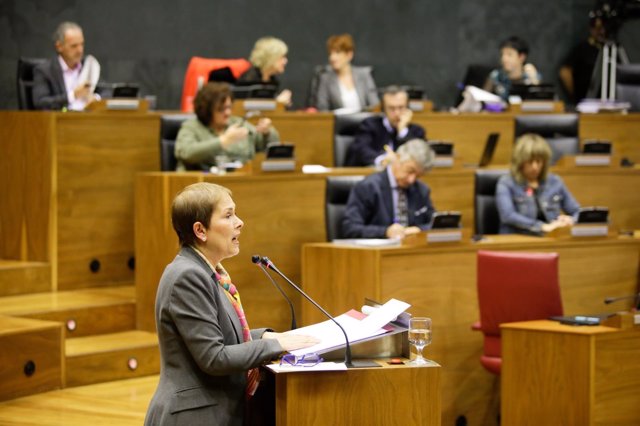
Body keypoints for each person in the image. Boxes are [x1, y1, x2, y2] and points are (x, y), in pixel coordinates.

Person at [144, 182, 318, 426]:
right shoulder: (188, 276)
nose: (240, 222)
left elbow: (224, 339)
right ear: (200, 230)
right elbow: (214, 357)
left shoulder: (209, 273)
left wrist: (267, 336)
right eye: (228, 215)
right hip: (193, 417)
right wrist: (277, 345)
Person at [342, 139, 436, 239]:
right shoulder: (368, 187)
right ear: (398, 159)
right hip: (378, 250)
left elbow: (434, 224)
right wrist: (385, 232)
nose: (411, 180)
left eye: (418, 176)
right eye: (410, 171)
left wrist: (419, 230)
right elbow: (350, 228)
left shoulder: (421, 190)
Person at [174, 82, 279, 171]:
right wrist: (224, 141)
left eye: (229, 107)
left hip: (240, 180)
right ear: (207, 110)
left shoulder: (237, 123)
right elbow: (187, 153)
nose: (228, 113)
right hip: (204, 186)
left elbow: (269, 145)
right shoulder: (191, 127)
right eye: (221, 109)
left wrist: (267, 132)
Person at [496, 133, 580, 235]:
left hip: (550, 238)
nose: (535, 167)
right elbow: (507, 215)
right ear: (520, 162)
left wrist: (570, 220)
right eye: (530, 162)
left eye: (538, 161)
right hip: (519, 239)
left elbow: (577, 211)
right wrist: (542, 226)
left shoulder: (555, 181)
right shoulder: (506, 183)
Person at [345, 86, 426, 167]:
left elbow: (418, 157)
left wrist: (402, 132)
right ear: (383, 109)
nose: (397, 113)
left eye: (401, 108)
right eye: (391, 108)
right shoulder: (369, 125)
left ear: (408, 109)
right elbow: (360, 149)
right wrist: (382, 160)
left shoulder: (417, 131)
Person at [32, 21, 100, 110]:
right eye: (74, 46)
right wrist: (73, 95)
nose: (80, 50)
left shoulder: (88, 66)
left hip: (89, 119)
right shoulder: (45, 71)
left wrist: (96, 98)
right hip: (61, 120)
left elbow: (106, 90)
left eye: (82, 44)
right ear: (59, 47)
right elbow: (41, 102)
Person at [312, 33, 379, 112]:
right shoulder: (325, 79)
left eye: (337, 52)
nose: (332, 57)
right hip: (339, 123)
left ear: (349, 55)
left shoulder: (364, 75)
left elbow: (375, 105)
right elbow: (322, 108)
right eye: (330, 53)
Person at [559, 15, 607, 104]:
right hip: (586, 101)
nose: (602, 31)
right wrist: (575, 95)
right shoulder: (582, 48)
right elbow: (564, 72)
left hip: (607, 100)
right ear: (592, 29)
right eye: (598, 28)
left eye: (604, 28)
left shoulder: (609, 49)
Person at [237, 37, 292, 105]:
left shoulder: (273, 82)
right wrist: (277, 103)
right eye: (282, 57)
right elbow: (242, 108)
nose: (285, 61)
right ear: (270, 57)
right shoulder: (248, 80)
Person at [483, 36, 541, 101]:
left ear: (521, 57)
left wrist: (534, 80)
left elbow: (540, 102)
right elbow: (483, 98)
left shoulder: (531, 76)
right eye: (502, 54)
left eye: (509, 54)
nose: (504, 59)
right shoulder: (496, 76)